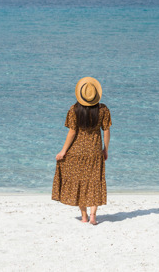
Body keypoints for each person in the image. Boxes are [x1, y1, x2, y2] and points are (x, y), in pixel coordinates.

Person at [52, 77, 111, 225]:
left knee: (79, 182)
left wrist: (63, 151)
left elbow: (72, 132)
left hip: (76, 152)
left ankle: (84, 216)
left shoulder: (74, 109)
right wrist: (105, 149)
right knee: (94, 182)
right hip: (95, 151)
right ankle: (93, 216)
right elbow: (106, 131)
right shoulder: (103, 109)